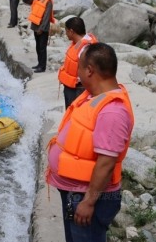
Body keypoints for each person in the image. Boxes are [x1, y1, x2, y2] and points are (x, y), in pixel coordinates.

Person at [46, 42, 134, 242]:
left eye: (78, 67)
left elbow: (106, 162)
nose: (76, 73)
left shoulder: (112, 111)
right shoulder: (94, 96)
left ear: (89, 70)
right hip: (75, 194)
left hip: (86, 197)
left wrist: (89, 202)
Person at [58, 17, 98, 109]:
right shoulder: (79, 42)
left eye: (66, 31)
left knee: (74, 114)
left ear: (71, 31)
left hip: (78, 89)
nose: (66, 34)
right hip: (73, 87)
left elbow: (88, 72)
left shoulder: (85, 49)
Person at [22, 0, 54, 73]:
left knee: (42, 48)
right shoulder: (36, 0)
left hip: (42, 29)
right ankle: (39, 64)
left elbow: (47, 17)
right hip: (35, 27)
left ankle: (42, 67)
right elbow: (26, 0)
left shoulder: (48, 1)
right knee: (37, 47)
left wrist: (42, 29)